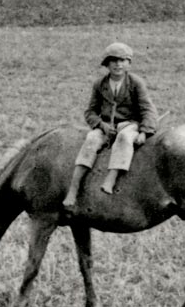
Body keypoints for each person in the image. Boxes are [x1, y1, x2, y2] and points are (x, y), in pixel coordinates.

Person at [62, 42, 159, 210]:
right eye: (113, 61)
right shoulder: (100, 84)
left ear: (128, 63)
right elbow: (90, 111)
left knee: (124, 138)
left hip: (130, 125)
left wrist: (144, 131)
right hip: (107, 126)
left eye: (123, 60)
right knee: (91, 139)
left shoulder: (136, 83)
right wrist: (101, 125)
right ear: (106, 64)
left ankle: (111, 179)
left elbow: (148, 109)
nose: (118, 64)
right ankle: (74, 187)